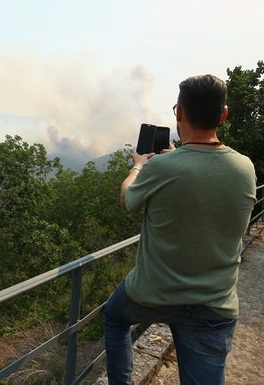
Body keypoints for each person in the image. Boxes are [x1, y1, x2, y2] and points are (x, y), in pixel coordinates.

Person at [103, 74, 256, 385]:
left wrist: (138, 167)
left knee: (115, 317)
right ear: (223, 115)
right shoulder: (244, 167)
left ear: (180, 113)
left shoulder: (160, 168)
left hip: (153, 293)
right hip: (213, 303)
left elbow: (127, 198)